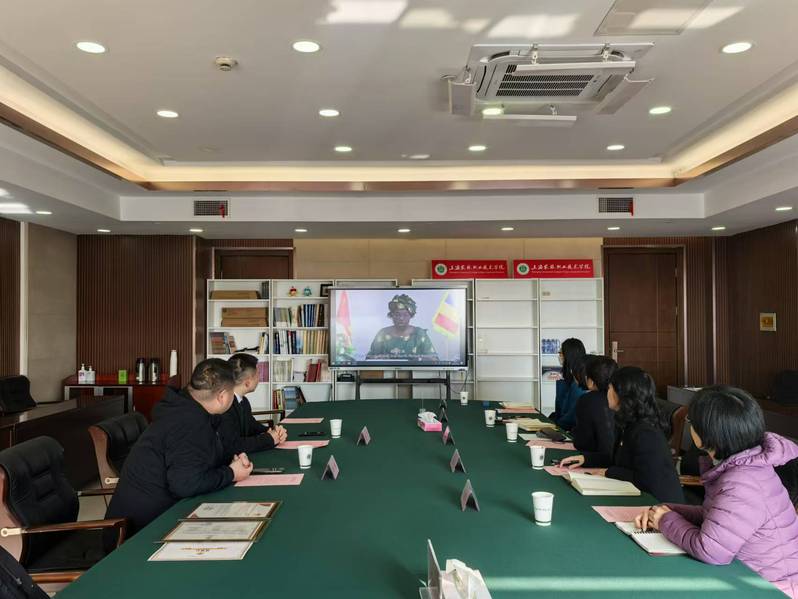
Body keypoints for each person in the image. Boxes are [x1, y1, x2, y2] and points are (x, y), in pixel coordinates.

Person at [636, 386, 798, 597]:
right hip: (750, 576)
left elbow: (710, 550)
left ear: (707, 433)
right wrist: (668, 511)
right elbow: (718, 517)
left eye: (691, 421)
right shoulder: (745, 466)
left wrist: (665, 520)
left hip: (771, 588)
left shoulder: (742, 482)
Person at [105, 359, 252, 538]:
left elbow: (198, 458)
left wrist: (231, 463)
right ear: (222, 397)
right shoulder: (189, 422)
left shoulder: (185, 406)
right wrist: (231, 473)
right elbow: (186, 484)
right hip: (138, 533)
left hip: (157, 514)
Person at [561, 366, 684, 503]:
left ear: (622, 394)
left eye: (610, 388)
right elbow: (617, 460)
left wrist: (608, 472)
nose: (607, 393)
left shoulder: (646, 433)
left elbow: (645, 479)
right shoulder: (627, 423)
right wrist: (585, 459)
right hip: (633, 496)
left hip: (659, 505)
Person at [219, 353, 287, 455]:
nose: (259, 378)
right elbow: (233, 446)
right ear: (247, 383)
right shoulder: (224, 406)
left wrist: (273, 431)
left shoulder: (243, 401)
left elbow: (252, 426)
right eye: (257, 374)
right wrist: (269, 439)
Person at [570, 355, 617, 464]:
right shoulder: (622, 399)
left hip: (598, 460)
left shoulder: (587, 400)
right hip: (620, 461)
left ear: (590, 381)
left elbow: (582, 443)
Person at [366, 294, 438, 361]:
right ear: (392, 315)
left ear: (410, 316)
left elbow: (434, 359)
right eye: (397, 314)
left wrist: (416, 359)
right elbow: (368, 359)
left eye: (405, 315)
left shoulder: (419, 334)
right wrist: (379, 358)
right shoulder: (383, 333)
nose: (401, 318)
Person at [548, 338, 587, 430]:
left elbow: (570, 418)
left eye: (561, 353)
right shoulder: (565, 379)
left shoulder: (579, 384)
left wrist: (554, 425)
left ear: (569, 356)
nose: (559, 356)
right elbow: (559, 411)